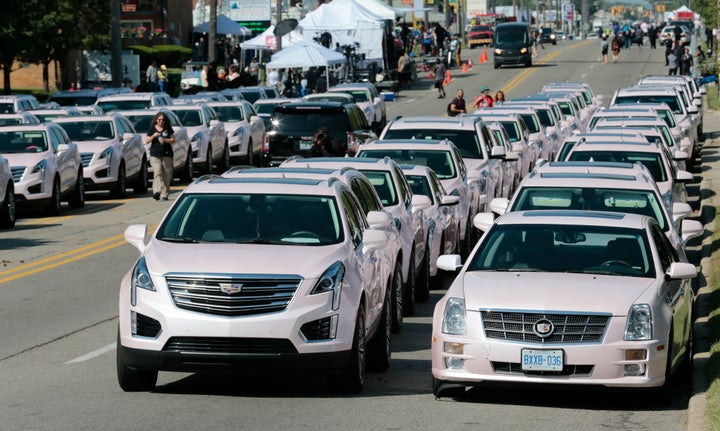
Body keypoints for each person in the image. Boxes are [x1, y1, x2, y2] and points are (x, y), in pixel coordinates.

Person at [146, 112, 175, 201]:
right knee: (157, 172)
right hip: (155, 154)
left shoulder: (167, 128)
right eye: (159, 119)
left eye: (163, 120)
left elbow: (173, 140)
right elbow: (147, 141)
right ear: (156, 120)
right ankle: (157, 191)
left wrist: (165, 140)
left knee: (166, 174)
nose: (161, 121)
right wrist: (153, 136)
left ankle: (164, 194)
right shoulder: (152, 129)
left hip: (166, 154)